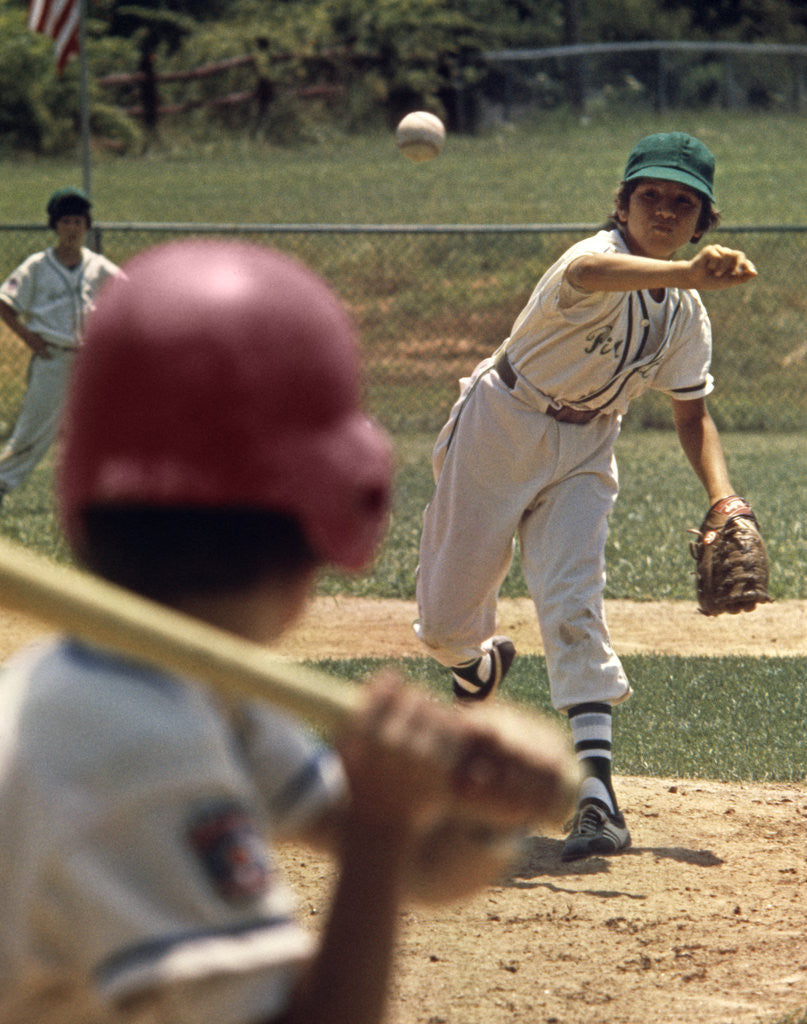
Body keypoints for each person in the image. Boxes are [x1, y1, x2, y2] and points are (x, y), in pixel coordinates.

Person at [0, 238, 576, 1024]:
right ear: (330, 510)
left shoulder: (148, 687)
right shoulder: (133, 749)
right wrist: (376, 828)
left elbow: (422, 864)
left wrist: (480, 815)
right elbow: (381, 853)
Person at [414, 131, 759, 862]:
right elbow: (593, 274)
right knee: (444, 623)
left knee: (573, 601)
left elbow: (691, 415)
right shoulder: (590, 258)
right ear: (622, 205)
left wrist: (724, 498)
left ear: (702, 220)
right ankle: (476, 665)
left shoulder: (684, 315)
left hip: (587, 445)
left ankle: (595, 797)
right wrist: (689, 272)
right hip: (502, 424)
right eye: (649, 195)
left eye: (682, 202)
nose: (663, 211)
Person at [0, 187, 120, 507]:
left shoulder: (98, 266)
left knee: (105, 427)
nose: (72, 228)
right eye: (65, 221)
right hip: (52, 357)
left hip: (91, 361)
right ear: (54, 225)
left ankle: (103, 493)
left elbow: (131, 295)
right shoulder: (38, 265)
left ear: (87, 226)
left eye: (78, 221)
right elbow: (5, 304)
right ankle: (1, 482)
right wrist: (27, 337)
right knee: (31, 432)